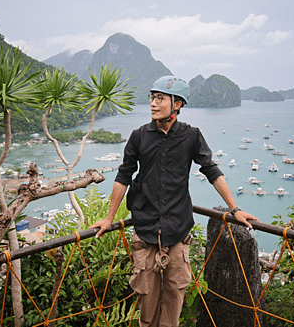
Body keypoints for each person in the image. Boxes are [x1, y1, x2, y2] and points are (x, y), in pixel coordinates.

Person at [90, 75, 258, 327]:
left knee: (173, 308)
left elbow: (211, 171)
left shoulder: (191, 136)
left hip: (177, 235)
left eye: (160, 99)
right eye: (152, 98)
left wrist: (236, 209)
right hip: (145, 234)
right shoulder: (139, 136)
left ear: (177, 104)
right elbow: (123, 176)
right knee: (146, 310)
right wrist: (110, 218)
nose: (153, 104)